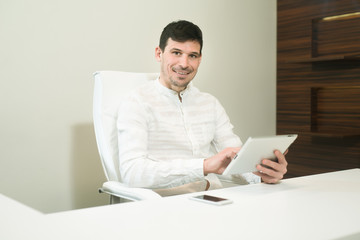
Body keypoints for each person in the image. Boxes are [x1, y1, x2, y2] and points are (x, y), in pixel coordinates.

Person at [117, 20, 287, 196]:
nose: (184, 63)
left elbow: (236, 159)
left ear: (200, 58)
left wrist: (263, 173)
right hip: (164, 206)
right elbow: (132, 173)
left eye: (192, 55)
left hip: (213, 200)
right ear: (158, 54)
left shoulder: (210, 103)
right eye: (176, 53)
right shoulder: (136, 102)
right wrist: (204, 166)